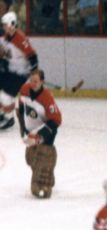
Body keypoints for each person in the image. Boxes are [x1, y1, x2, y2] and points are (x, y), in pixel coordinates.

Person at [17, 69, 62, 198]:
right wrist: (23, 127)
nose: (33, 83)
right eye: (31, 80)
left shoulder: (47, 98)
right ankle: (48, 171)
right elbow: (21, 106)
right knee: (30, 158)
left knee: (43, 155)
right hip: (30, 131)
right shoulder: (25, 89)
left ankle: (43, 179)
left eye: (36, 81)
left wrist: (39, 137)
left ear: (42, 81)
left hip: (46, 131)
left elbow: (56, 120)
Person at [0, 12, 38, 130]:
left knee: (6, 96)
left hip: (21, 73)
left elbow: (33, 56)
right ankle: (3, 113)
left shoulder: (20, 39)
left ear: (12, 24)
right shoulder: (5, 37)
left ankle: (9, 118)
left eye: (5, 25)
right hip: (10, 70)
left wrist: (34, 72)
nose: (3, 27)